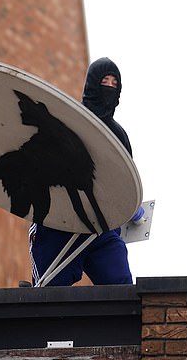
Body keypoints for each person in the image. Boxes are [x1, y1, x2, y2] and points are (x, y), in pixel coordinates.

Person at [28, 57, 136, 286]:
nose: (109, 87)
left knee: (121, 287)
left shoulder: (119, 137)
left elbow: (126, 180)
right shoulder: (66, 122)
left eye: (114, 83)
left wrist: (131, 205)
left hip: (100, 227)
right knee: (49, 292)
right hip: (59, 221)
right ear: (92, 84)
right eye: (104, 81)